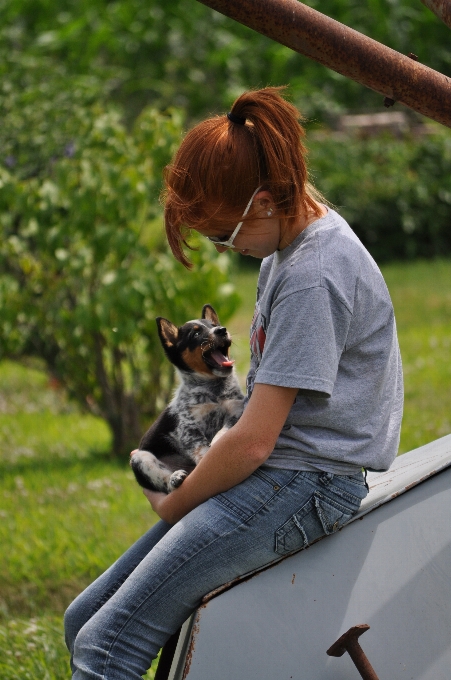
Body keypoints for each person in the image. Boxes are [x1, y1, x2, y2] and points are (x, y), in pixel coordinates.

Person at [64, 87, 403, 679]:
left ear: (266, 201)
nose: (229, 249)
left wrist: (176, 504)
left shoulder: (312, 275)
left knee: (106, 647)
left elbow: (253, 443)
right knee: (82, 619)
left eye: (224, 235)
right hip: (279, 475)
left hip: (306, 485)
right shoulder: (286, 252)